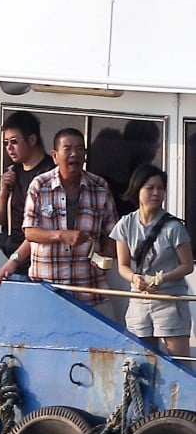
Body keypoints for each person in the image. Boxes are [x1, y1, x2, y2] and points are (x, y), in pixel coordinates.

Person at [23, 127, 118, 315]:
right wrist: (61, 235)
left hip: (90, 289)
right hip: (48, 291)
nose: (74, 154)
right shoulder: (40, 185)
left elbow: (113, 233)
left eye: (80, 149)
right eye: (67, 149)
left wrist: (109, 253)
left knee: (105, 342)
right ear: (55, 155)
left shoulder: (99, 186)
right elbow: (29, 232)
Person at [110, 164, 193, 357]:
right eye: (150, 188)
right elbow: (122, 265)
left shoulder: (174, 227)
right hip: (139, 300)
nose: (156, 193)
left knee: (179, 361)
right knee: (143, 361)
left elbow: (187, 265)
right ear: (137, 189)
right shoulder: (125, 224)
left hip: (169, 301)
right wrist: (134, 278)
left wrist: (162, 278)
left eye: (160, 188)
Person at [0, 111, 56, 286]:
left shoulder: (50, 174)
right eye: (6, 143)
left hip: (38, 262)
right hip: (14, 259)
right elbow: (1, 218)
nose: (9, 148)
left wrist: (14, 260)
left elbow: (42, 226)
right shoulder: (12, 171)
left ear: (32, 140)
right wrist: (3, 192)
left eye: (14, 142)